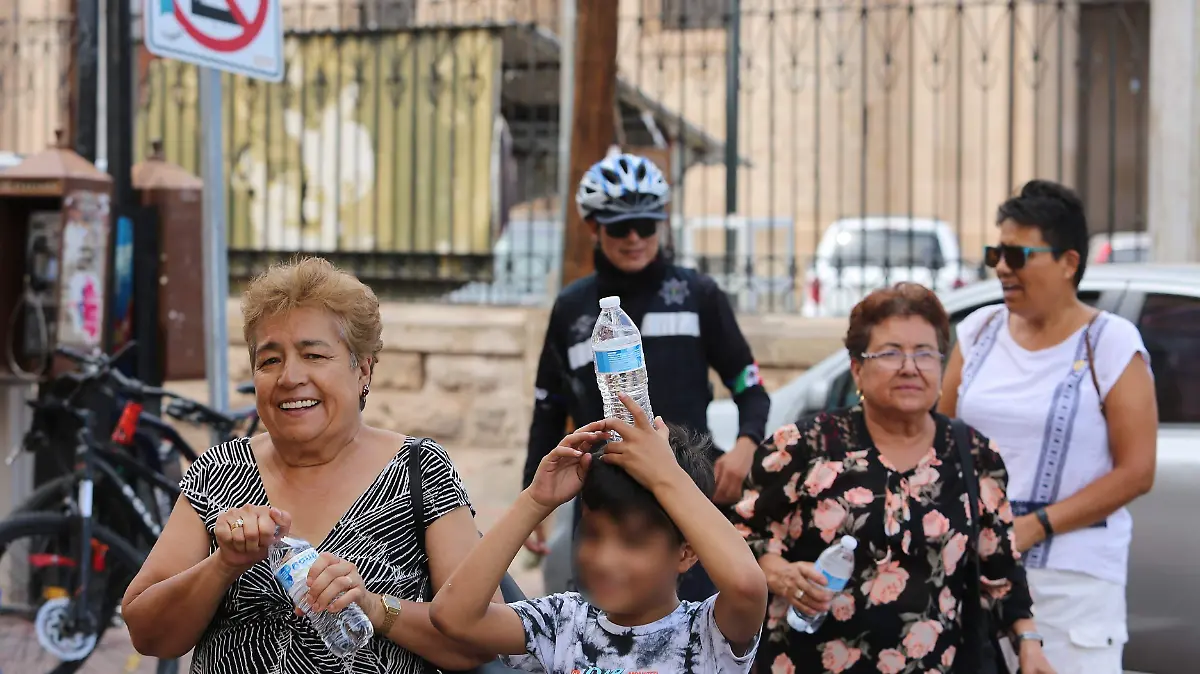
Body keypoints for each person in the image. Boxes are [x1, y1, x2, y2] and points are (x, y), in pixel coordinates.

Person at [120, 257, 497, 672]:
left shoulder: (419, 470)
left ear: (363, 371)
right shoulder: (218, 471)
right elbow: (147, 633)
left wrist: (374, 607)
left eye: (314, 355)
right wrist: (222, 565)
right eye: (270, 360)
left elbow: (480, 640)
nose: (289, 377)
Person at [731, 283, 1054, 674]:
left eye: (924, 353)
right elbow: (737, 537)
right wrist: (779, 573)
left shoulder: (973, 454)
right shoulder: (802, 447)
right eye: (890, 353)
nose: (909, 367)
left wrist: (1029, 644)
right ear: (857, 370)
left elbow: (1000, 567)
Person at [523, 151, 771, 600]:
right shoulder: (572, 308)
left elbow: (749, 387)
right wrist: (532, 502)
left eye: (647, 225)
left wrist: (745, 446)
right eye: (619, 227)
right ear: (594, 227)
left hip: (689, 500)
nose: (635, 237)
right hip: (604, 502)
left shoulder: (698, 295)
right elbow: (548, 410)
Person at [939, 180, 1158, 674]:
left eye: (1017, 254)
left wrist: (1035, 527)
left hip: (1071, 584)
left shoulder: (1111, 343)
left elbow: (1137, 471)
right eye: (996, 252)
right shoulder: (978, 331)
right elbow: (940, 441)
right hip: (974, 574)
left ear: (1069, 262)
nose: (1000, 267)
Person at [430, 392, 767, 673]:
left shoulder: (707, 634)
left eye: (632, 542)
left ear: (686, 552)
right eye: (592, 535)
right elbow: (453, 616)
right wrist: (534, 502)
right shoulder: (563, 623)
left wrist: (666, 475)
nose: (604, 559)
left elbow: (747, 586)